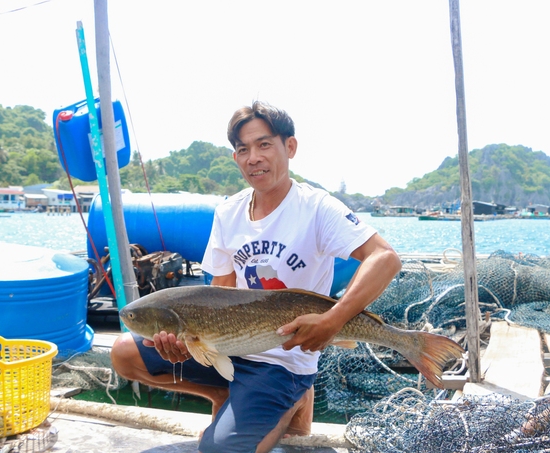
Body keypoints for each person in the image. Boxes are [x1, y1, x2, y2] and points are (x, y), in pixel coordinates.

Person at [111, 101, 402, 453]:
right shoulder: (228, 212)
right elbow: (218, 293)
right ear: (235, 158)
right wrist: (188, 343)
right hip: (232, 349)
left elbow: (384, 258)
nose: (253, 157)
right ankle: (226, 393)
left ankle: (292, 400)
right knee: (124, 352)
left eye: (264, 145)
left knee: (218, 451)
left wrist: (333, 319)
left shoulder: (317, 208)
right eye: (243, 149)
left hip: (284, 359)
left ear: (289, 147)